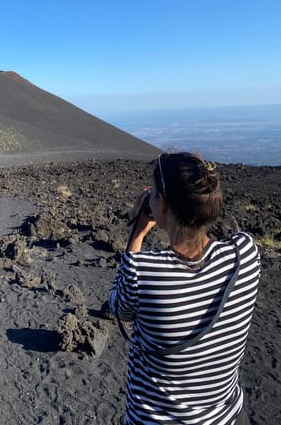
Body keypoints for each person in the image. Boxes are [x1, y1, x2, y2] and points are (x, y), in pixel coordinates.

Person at [109, 152, 260, 425]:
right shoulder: (245, 254)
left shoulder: (144, 272)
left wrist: (138, 232)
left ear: (163, 205)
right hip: (224, 417)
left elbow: (118, 307)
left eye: (153, 193)